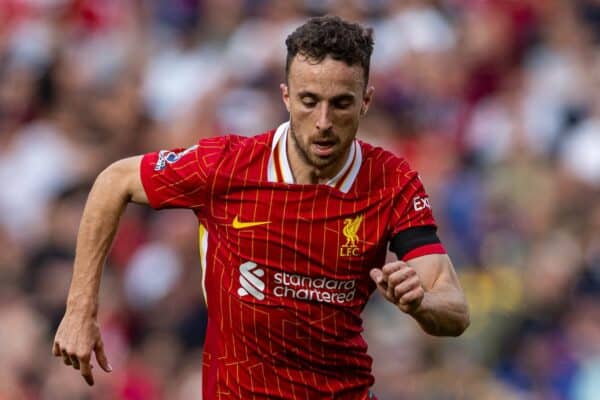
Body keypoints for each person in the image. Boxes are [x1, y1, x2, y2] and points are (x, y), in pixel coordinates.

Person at [53, 15, 470, 399]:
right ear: (286, 97)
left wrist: (421, 304)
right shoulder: (229, 166)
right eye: (309, 101)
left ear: (366, 101)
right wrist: (80, 309)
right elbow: (114, 181)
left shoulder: (391, 181)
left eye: (340, 103)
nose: (323, 120)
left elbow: (454, 309)